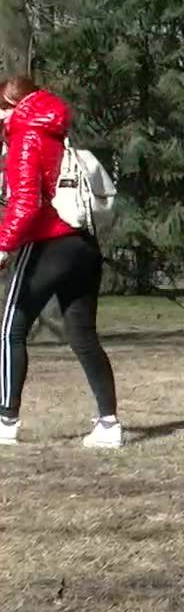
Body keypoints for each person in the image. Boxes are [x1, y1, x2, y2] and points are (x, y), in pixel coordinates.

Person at [0, 76, 121, 448]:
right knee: (83, 336)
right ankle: (109, 424)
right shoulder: (56, 136)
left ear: (13, 106)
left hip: (47, 244)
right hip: (82, 245)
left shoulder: (25, 140)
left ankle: (6, 420)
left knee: (10, 331)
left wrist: (3, 246)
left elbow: (25, 203)